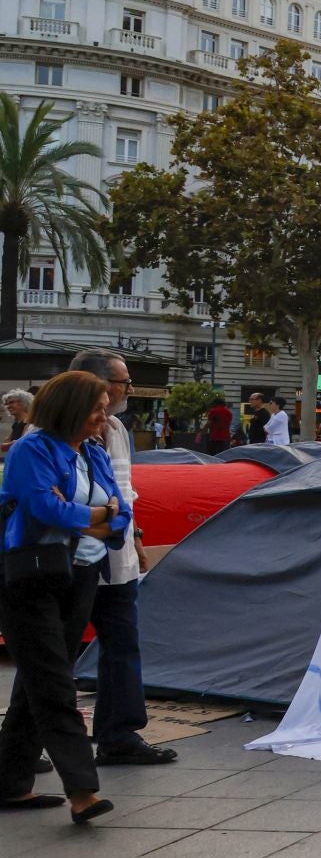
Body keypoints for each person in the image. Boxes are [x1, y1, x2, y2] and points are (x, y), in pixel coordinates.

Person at [0, 369, 128, 822]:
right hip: (30, 579)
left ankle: (9, 785)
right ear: (71, 407)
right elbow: (42, 507)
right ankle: (82, 790)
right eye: (96, 406)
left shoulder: (92, 453)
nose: (104, 414)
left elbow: (123, 511)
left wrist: (94, 516)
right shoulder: (31, 449)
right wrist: (99, 513)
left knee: (36, 684)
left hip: (81, 576)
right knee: (55, 685)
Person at [66, 352, 174, 767]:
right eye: (122, 381)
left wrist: (137, 537)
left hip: (119, 556)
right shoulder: (52, 432)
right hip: (75, 560)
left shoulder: (116, 429)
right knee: (56, 652)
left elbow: (125, 491)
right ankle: (27, 737)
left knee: (123, 644)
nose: (128, 389)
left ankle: (119, 733)